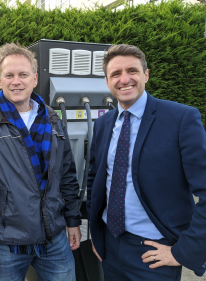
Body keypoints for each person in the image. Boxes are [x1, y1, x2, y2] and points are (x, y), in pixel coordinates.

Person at [0, 42, 82, 281]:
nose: (17, 81)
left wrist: (73, 220)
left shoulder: (53, 122)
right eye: (9, 75)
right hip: (5, 245)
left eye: (23, 74)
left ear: (34, 79)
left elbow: (67, 176)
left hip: (54, 239)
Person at [87, 44, 206, 280]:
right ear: (107, 82)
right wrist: (96, 234)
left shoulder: (181, 118)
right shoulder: (103, 124)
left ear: (146, 75)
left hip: (154, 252)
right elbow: (95, 181)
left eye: (132, 70)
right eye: (115, 74)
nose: (124, 79)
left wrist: (183, 252)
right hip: (110, 247)